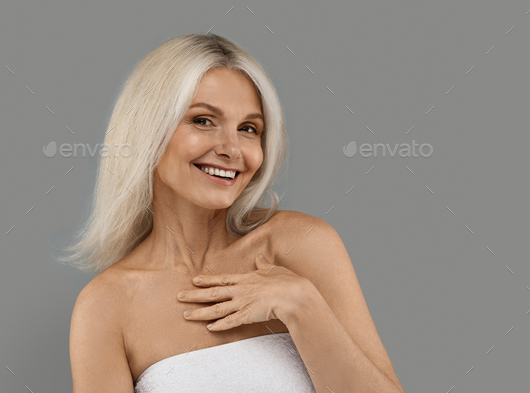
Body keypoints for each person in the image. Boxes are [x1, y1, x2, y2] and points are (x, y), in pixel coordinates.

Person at [61, 33, 405, 393]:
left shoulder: (301, 245)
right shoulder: (105, 305)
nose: (231, 149)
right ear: (147, 129)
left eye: (248, 129)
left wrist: (303, 306)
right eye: (204, 121)